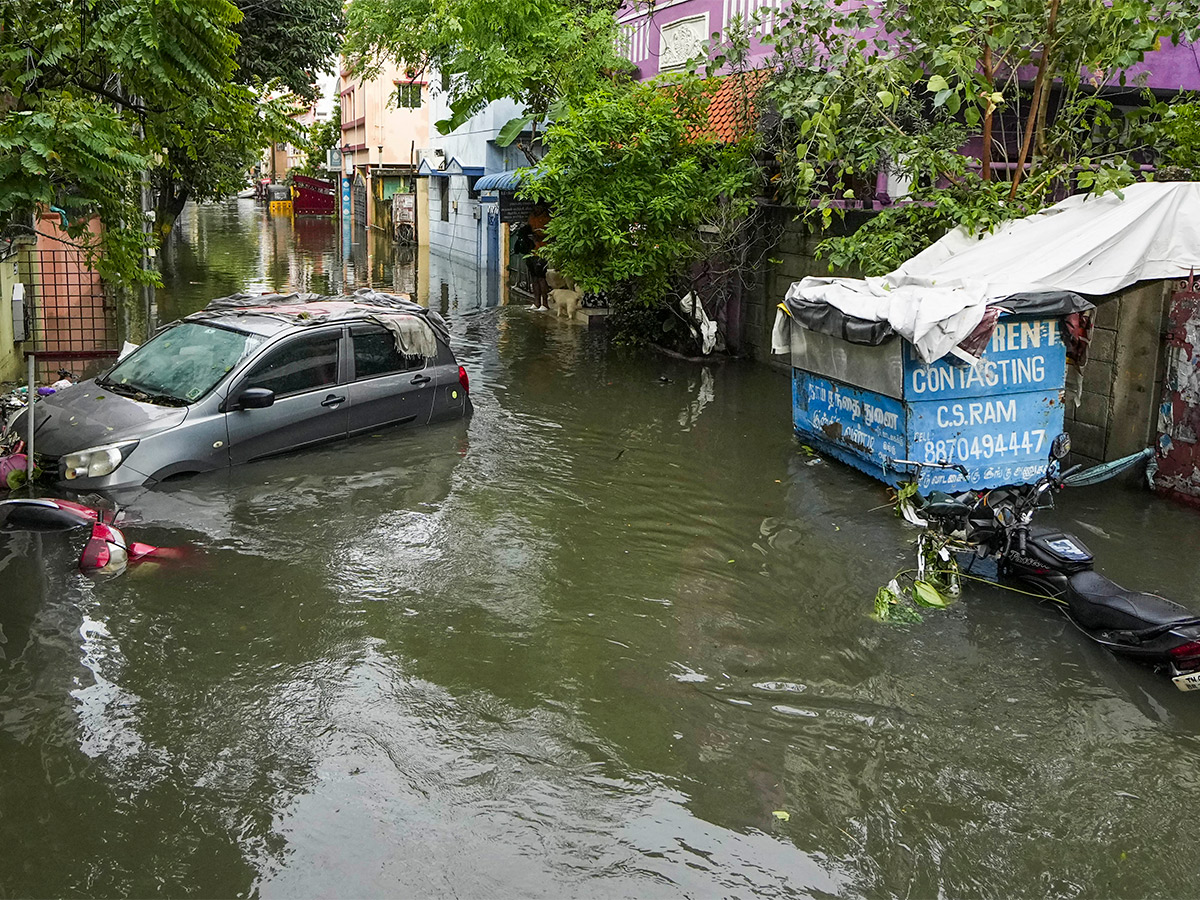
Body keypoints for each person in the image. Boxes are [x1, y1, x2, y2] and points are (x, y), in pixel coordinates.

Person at [526, 204, 551, 310]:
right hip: (532, 250)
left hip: (543, 250)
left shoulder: (547, 218)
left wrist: (538, 235)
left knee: (541, 277)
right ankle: (536, 302)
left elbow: (549, 234)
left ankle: (544, 303)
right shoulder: (532, 217)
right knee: (534, 277)